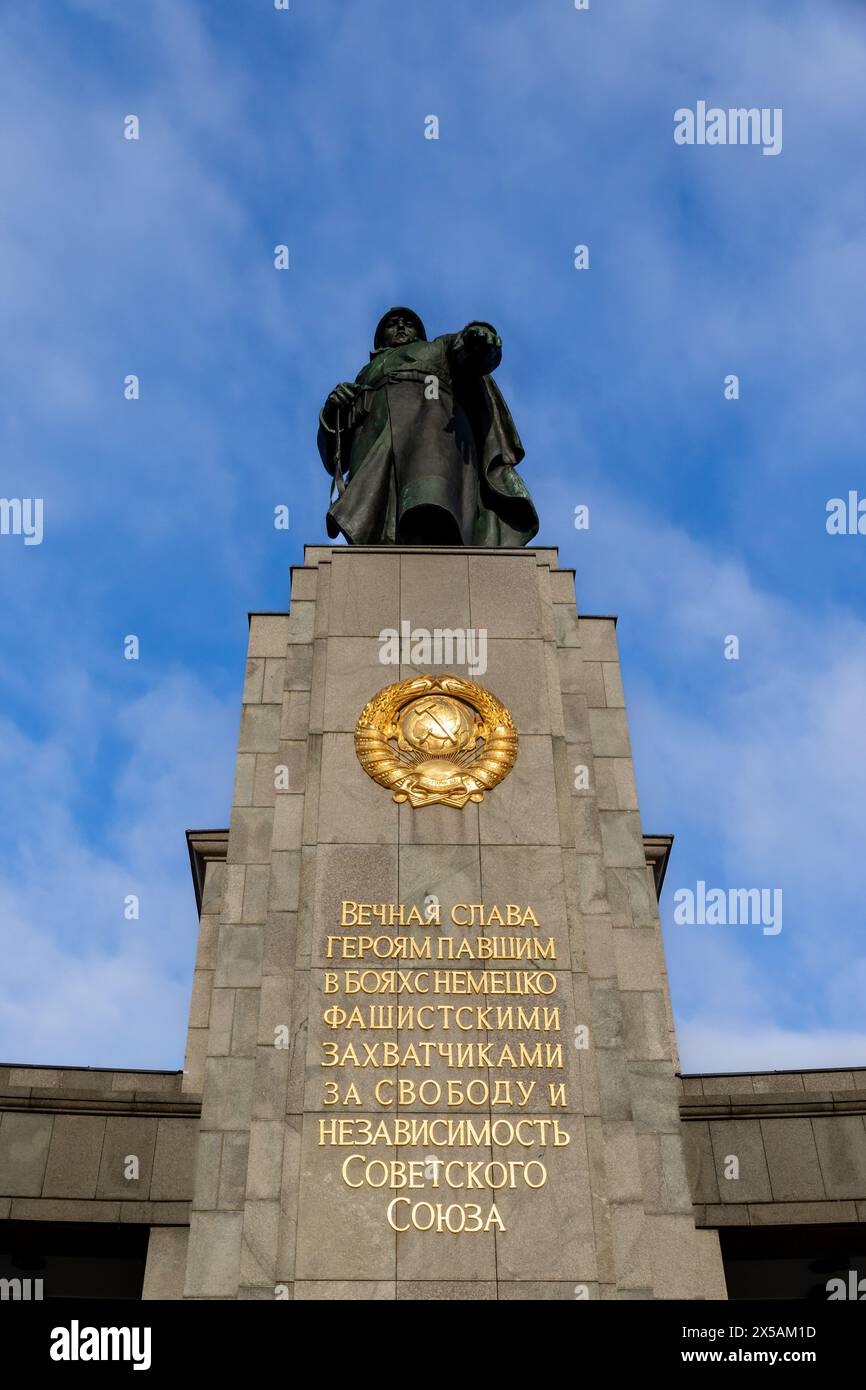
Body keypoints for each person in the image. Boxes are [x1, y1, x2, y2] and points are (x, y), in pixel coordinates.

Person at [317, 307, 539, 546]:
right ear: (380, 338)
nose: (401, 326)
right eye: (393, 323)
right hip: (374, 446)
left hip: (431, 433)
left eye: (408, 324)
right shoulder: (364, 375)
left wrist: (478, 337)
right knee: (378, 534)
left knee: (429, 508)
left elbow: (465, 350)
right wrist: (332, 412)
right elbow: (334, 459)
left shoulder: (436, 348)